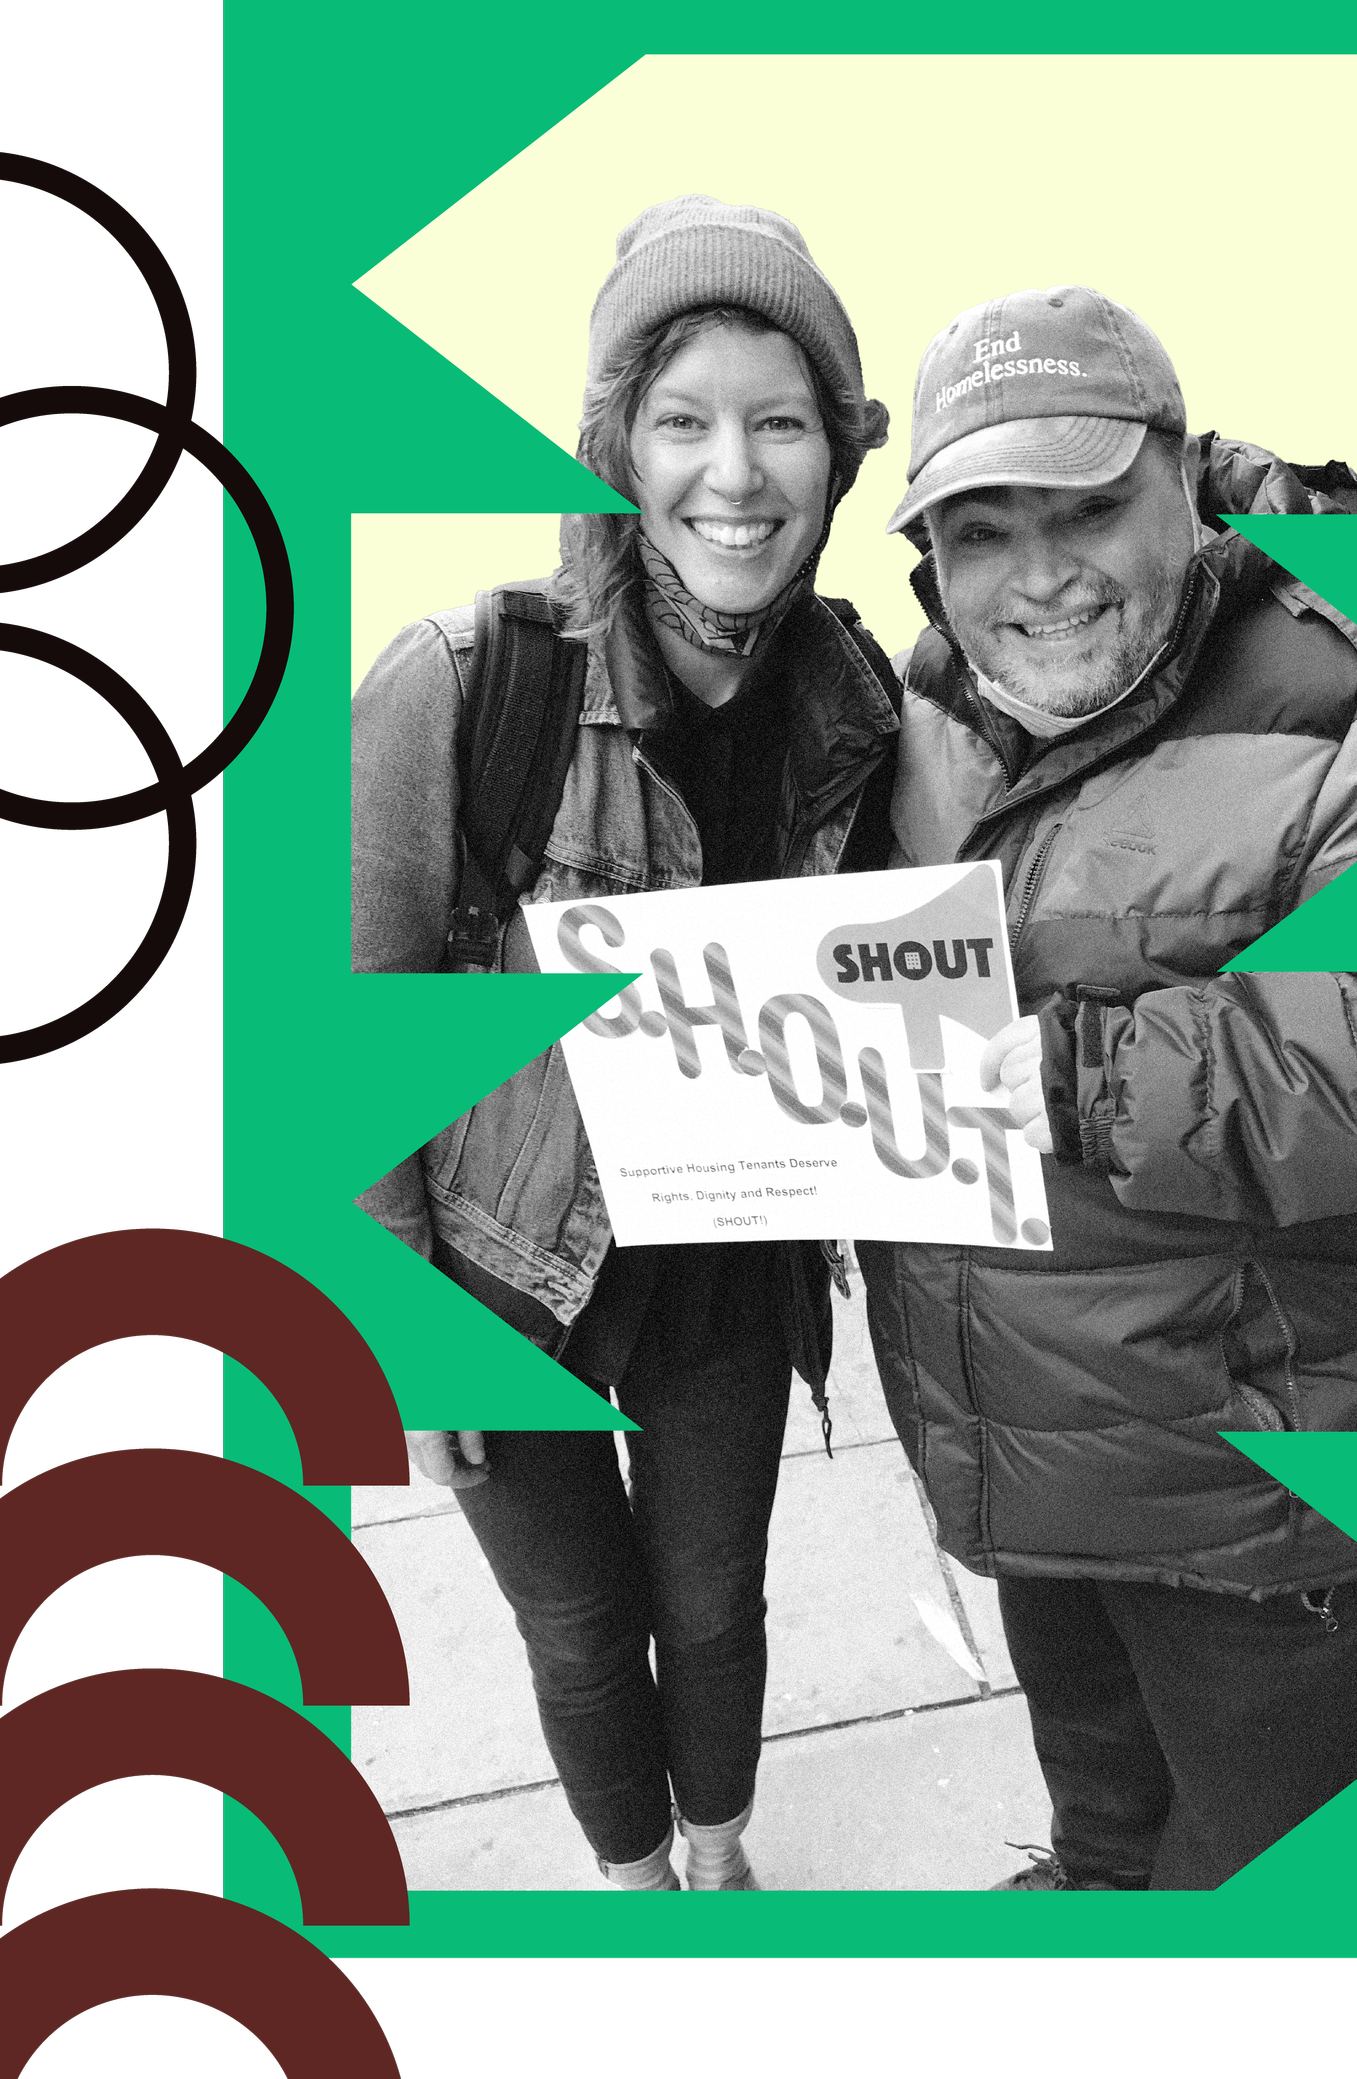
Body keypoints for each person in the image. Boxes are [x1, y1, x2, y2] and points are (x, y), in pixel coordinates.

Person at [855, 285, 1357, 1891]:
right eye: (983, 531)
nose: (1041, 575)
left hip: (1244, 1488)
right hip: (1018, 1444)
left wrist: (1084, 1072)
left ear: (1183, 480)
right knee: (1107, 1830)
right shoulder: (927, 700)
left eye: (1086, 509)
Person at [351, 198, 900, 1891]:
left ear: (835, 456)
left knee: (711, 1599)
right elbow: (354, 1009)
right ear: (617, 449)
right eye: (683, 420)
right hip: (505, 1264)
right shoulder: (468, 675)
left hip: (729, 1259)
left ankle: (720, 1851)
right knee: (582, 1627)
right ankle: (629, 1875)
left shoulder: (859, 701)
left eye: (780, 420)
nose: (732, 471)